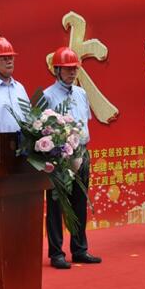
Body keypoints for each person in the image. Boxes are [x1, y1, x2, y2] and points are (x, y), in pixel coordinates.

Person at [43, 46, 100, 269]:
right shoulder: (48, 95)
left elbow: (85, 122)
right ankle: (56, 253)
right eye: (67, 69)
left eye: (74, 68)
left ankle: (79, 249)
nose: (72, 72)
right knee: (56, 205)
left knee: (79, 201)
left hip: (81, 151)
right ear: (56, 70)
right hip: (59, 156)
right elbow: (41, 128)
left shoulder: (81, 93)